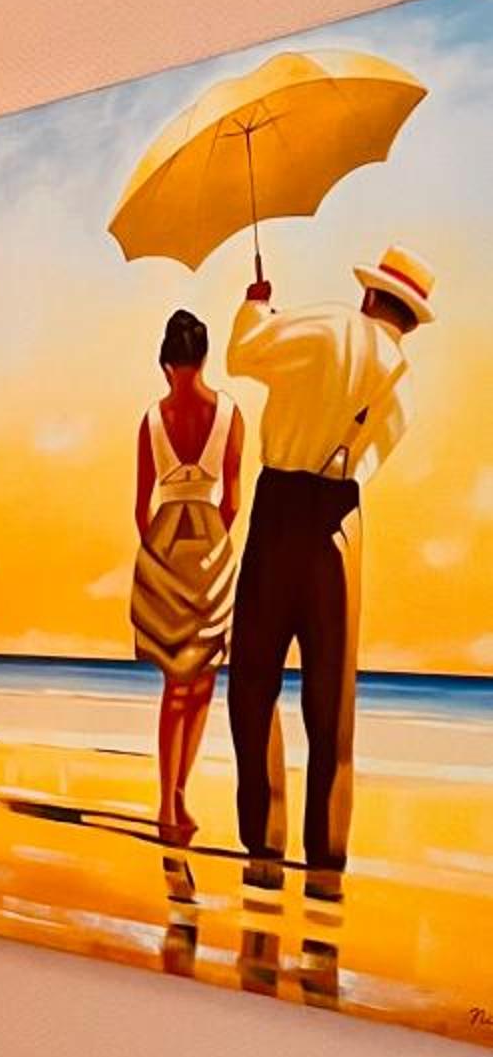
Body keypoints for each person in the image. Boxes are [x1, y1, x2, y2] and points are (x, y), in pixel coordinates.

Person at [224, 242, 434, 882]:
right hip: (342, 520)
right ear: (409, 320)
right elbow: (367, 464)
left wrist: (255, 307)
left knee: (255, 680)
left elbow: (242, 355)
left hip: (280, 505)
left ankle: (264, 840)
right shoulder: (402, 384)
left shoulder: (326, 324)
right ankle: (328, 852)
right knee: (331, 698)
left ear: (369, 294)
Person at [130, 308, 242, 846]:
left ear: (165, 361)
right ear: (204, 356)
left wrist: (160, 554)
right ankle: (175, 796)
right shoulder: (230, 414)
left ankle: (168, 798)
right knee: (201, 682)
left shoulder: (152, 419)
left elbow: (140, 507)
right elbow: (233, 500)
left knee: (176, 684)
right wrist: (208, 545)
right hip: (212, 546)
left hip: (164, 543)